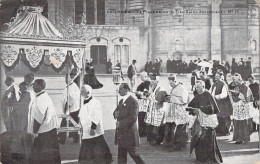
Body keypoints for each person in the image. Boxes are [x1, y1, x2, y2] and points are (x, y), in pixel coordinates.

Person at [188, 80, 223, 163]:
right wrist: (193, 110)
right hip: (200, 122)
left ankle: (209, 159)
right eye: (196, 87)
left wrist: (200, 110)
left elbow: (211, 109)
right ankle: (200, 158)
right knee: (199, 141)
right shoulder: (197, 95)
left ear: (203, 87)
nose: (197, 89)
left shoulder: (208, 95)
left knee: (208, 141)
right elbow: (190, 106)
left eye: (199, 87)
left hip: (208, 122)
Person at [28, 79, 61, 164]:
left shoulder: (41, 99)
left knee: (40, 156)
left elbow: (39, 118)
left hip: (44, 131)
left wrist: (34, 132)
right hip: (48, 130)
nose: (33, 87)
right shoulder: (42, 95)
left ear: (40, 86)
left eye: (34, 85)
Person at [78, 85, 112, 164]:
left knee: (98, 144)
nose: (81, 93)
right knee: (90, 145)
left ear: (88, 92)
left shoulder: (95, 102)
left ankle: (105, 159)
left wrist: (93, 128)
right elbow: (82, 114)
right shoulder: (84, 101)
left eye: (82, 92)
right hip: (86, 128)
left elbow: (96, 116)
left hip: (93, 128)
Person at [113, 83, 146, 164]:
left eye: (120, 89)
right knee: (121, 156)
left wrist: (121, 123)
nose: (119, 91)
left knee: (134, 155)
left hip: (129, 134)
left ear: (126, 90)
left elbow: (133, 118)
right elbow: (116, 111)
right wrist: (115, 113)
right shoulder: (121, 101)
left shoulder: (133, 102)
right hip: (121, 134)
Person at [163, 75, 189, 151]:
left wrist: (171, 98)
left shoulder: (182, 88)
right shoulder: (173, 88)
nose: (170, 85)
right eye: (169, 84)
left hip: (180, 112)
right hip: (174, 112)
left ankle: (179, 146)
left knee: (179, 129)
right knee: (172, 128)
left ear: (175, 81)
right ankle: (172, 144)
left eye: (171, 83)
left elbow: (183, 100)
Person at [230, 73, 254, 144]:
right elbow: (234, 97)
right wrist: (233, 94)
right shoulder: (236, 87)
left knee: (243, 123)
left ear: (240, 79)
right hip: (237, 107)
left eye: (237, 80)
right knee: (237, 122)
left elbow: (248, 98)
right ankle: (238, 138)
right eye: (234, 80)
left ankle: (244, 138)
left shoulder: (245, 87)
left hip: (244, 107)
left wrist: (239, 94)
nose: (235, 81)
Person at [145, 73, 167, 145]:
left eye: (154, 82)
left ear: (157, 81)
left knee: (157, 125)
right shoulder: (151, 87)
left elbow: (158, 99)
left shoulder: (161, 89)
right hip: (152, 109)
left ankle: (157, 140)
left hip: (158, 109)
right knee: (152, 124)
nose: (152, 83)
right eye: (151, 81)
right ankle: (152, 139)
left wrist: (149, 94)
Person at [58, 74, 81, 144]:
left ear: (72, 78)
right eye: (65, 78)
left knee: (66, 123)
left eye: (67, 79)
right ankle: (75, 138)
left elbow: (72, 98)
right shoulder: (71, 86)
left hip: (72, 109)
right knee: (74, 123)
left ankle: (62, 139)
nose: (65, 80)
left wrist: (67, 107)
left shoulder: (73, 87)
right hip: (73, 108)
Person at [211, 70, 233, 136]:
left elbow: (225, 94)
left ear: (221, 77)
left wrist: (216, 97)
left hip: (223, 104)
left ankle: (226, 131)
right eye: (215, 76)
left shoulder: (223, 84)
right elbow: (211, 92)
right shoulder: (214, 84)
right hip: (217, 103)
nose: (216, 78)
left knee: (224, 117)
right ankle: (219, 131)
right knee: (218, 117)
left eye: (217, 76)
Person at [135, 72, 151, 137]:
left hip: (144, 103)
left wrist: (138, 93)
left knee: (142, 117)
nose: (140, 77)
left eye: (141, 76)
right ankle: (142, 132)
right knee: (142, 117)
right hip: (142, 103)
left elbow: (146, 94)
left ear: (145, 77)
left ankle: (142, 132)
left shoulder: (147, 83)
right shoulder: (144, 83)